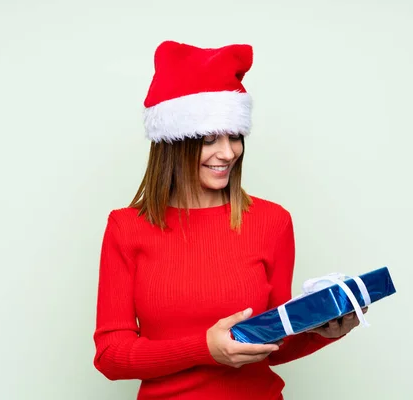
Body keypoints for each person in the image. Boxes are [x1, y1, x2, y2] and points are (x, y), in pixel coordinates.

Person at [92, 40, 363, 400]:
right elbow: (110, 356)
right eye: (208, 140)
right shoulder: (127, 228)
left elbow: (274, 339)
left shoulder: (272, 222)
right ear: (174, 143)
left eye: (235, 136)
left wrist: (324, 330)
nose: (228, 152)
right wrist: (203, 348)